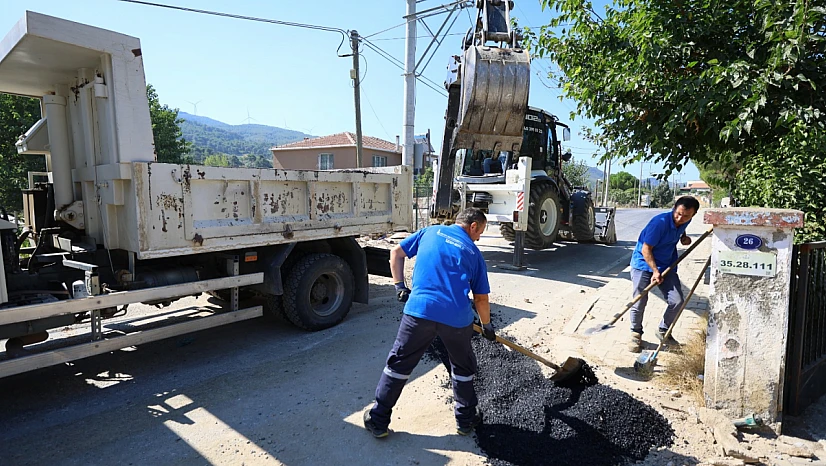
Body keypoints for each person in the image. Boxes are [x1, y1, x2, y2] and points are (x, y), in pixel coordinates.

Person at [363, 208, 495, 438]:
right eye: (480, 232)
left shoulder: (429, 232)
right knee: (462, 367)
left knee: (399, 364)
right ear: (473, 226)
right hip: (456, 320)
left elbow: (396, 253)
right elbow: (481, 299)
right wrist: (487, 326)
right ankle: (465, 421)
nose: (479, 238)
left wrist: (399, 286)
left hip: (419, 313)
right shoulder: (474, 253)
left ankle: (378, 420)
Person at [627, 196, 700, 353]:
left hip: (667, 265)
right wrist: (655, 271)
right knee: (639, 300)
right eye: (678, 214)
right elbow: (646, 249)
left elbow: (681, 229)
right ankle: (635, 333)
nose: (680, 218)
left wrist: (684, 238)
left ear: (692, 215)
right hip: (643, 264)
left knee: (677, 300)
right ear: (674, 208)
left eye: (686, 216)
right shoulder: (658, 223)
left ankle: (663, 331)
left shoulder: (686, 220)